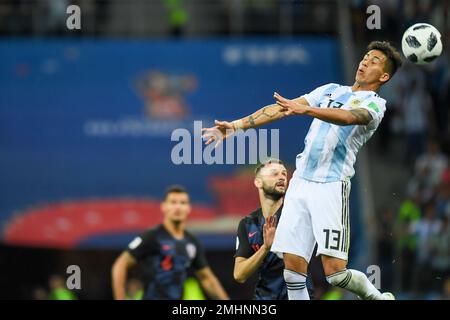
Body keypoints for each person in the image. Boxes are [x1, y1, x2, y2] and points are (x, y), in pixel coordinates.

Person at [202, 41, 402, 300]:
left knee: (335, 274)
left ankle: (377, 297)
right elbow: (281, 108)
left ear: (384, 76)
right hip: (300, 184)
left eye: (374, 61)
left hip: (331, 186)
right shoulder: (330, 90)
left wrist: (307, 109)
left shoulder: (376, 104)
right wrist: (236, 126)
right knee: (292, 272)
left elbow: (352, 117)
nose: (365, 61)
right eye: (365, 56)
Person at [111, 185, 229, 300]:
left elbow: (206, 278)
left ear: (188, 208)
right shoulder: (152, 236)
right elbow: (120, 265)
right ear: (164, 207)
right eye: (173, 202)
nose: (178, 207)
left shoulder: (192, 242)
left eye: (183, 203)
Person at [234, 159, 289, 299]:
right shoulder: (247, 224)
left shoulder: (297, 216)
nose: (282, 177)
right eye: (274, 174)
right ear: (258, 182)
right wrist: (265, 248)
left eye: (284, 174)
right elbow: (239, 275)